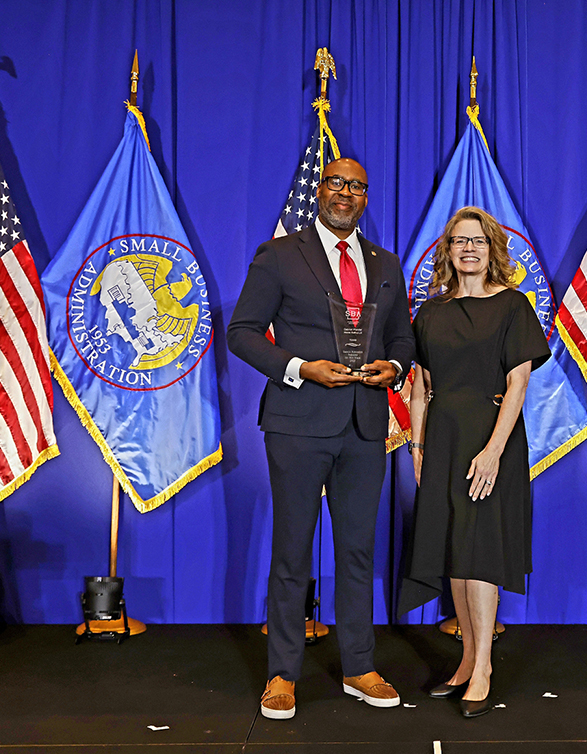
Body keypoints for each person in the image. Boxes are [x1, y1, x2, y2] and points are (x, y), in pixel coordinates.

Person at [227, 158, 415, 720]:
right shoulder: (280, 254)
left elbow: (402, 335)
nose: (347, 194)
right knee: (292, 551)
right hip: (297, 423)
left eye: (358, 187)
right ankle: (282, 674)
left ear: (365, 199)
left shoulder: (385, 262)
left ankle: (359, 666)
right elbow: (241, 333)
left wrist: (396, 368)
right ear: (320, 190)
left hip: (365, 425)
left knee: (358, 552)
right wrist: (299, 367)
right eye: (337, 183)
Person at [398, 206, 550, 718]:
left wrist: (493, 451)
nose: (469, 248)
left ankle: (483, 665)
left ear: (492, 250)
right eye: (460, 241)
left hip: (492, 443)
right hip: (441, 442)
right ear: (447, 250)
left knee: (480, 550)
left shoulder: (513, 306)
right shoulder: (431, 313)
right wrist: (418, 450)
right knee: (454, 552)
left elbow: (518, 384)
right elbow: (420, 388)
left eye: (478, 241)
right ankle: (465, 660)